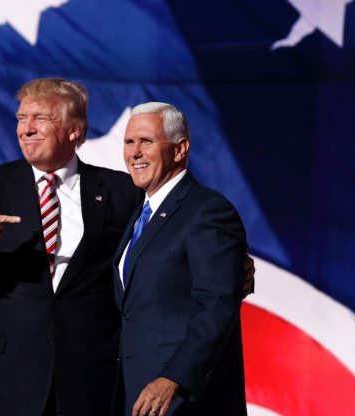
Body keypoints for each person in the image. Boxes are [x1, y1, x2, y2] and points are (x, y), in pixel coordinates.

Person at [0, 78, 142, 415]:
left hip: (89, 380)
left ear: (74, 131)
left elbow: (159, 255)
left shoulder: (121, 192)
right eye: (20, 118)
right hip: (5, 381)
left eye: (41, 118)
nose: (26, 129)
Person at [115, 102, 248, 416]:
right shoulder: (137, 215)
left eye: (146, 141)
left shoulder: (208, 211)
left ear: (180, 149)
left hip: (182, 399)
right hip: (136, 393)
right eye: (129, 142)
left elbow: (217, 304)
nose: (134, 152)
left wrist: (174, 378)